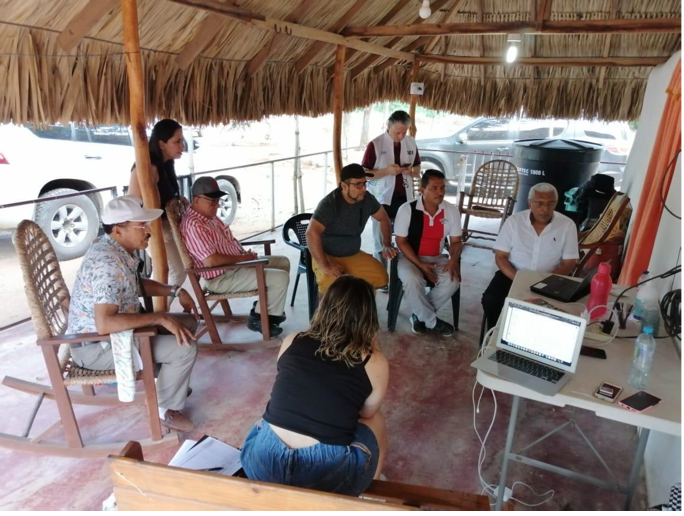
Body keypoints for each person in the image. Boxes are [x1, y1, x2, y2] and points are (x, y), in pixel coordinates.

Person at [240, 276, 389, 497]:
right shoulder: (374, 361)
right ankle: (373, 486)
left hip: (261, 463)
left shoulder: (293, 339)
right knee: (376, 420)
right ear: (368, 317)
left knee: (272, 413)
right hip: (326, 475)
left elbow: (288, 382)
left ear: (324, 306)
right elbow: (367, 412)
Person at [67, 195, 199, 433]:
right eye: (141, 225)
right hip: (97, 347)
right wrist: (159, 317)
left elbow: (134, 285)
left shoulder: (117, 249)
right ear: (118, 230)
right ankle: (165, 409)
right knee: (185, 347)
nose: (148, 231)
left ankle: (167, 382)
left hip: (117, 334)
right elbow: (105, 323)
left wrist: (175, 291)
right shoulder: (107, 262)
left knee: (187, 322)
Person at [180, 177, 290, 337]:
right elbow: (211, 261)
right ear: (197, 200)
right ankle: (260, 319)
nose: (217, 206)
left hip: (236, 266)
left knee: (283, 262)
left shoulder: (209, 218)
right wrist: (243, 259)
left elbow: (228, 242)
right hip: (222, 277)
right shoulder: (193, 225)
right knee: (279, 279)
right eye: (212, 202)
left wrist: (244, 255)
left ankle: (264, 309)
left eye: (218, 201)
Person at [482, 183, 580, 329]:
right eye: (539, 203)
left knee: (558, 314)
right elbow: (500, 256)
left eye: (550, 203)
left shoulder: (567, 225)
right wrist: (519, 280)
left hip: (551, 280)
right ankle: (496, 337)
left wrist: (545, 283)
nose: (545, 209)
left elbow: (568, 263)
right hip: (513, 274)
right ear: (529, 203)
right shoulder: (514, 222)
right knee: (491, 300)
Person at [307, 164, 397, 294]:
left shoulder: (367, 199)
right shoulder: (330, 204)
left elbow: (383, 218)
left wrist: (387, 244)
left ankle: (358, 307)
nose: (363, 189)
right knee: (332, 287)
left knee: (381, 278)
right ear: (344, 186)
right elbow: (311, 233)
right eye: (358, 185)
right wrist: (325, 265)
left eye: (365, 184)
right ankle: (328, 314)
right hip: (327, 255)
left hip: (352, 254)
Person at [394, 170, 463, 337]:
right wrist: (420, 265)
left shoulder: (451, 211)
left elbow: (455, 242)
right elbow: (401, 241)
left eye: (442, 188)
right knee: (412, 278)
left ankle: (419, 316)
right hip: (410, 257)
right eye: (434, 188)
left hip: (437, 257)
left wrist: (453, 259)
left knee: (452, 280)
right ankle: (433, 322)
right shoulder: (407, 210)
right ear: (422, 190)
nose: (440, 192)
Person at [362, 110, 422, 286]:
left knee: (407, 237)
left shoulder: (411, 142)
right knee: (381, 240)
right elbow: (365, 174)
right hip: (381, 198)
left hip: (405, 197)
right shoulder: (375, 144)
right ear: (388, 126)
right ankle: (381, 279)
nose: (401, 136)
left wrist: (411, 171)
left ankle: (404, 276)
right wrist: (387, 171)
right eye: (398, 132)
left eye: (405, 132)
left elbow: (418, 167)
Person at [128, 119, 187, 290]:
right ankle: (156, 314)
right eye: (177, 141)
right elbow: (133, 204)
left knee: (175, 271)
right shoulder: (148, 167)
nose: (182, 146)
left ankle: (157, 312)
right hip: (152, 229)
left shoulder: (166, 164)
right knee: (175, 272)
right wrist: (151, 229)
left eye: (182, 141)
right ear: (162, 144)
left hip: (165, 227)